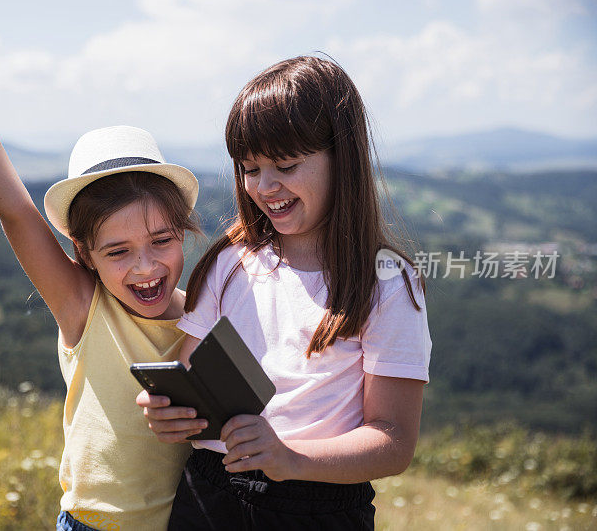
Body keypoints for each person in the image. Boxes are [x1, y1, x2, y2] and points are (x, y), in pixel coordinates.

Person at [0, 51, 201, 531]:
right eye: (117, 252)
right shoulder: (84, 307)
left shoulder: (204, 317)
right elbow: (14, 209)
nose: (146, 267)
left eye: (161, 240)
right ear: (83, 254)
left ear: (182, 230)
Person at [137, 55, 432, 530]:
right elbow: (194, 375)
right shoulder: (229, 264)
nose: (265, 186)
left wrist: (290, 457)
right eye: (249, 169)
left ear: (343, 158)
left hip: (316, 505)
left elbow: (394, 440)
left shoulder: (386, 283)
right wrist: (174, 413)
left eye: (286, 165)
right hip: (209, 492)